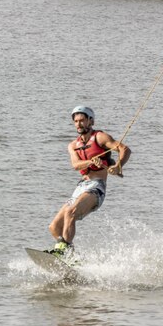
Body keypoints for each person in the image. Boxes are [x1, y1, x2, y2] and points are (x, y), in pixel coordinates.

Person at [47, 106, 131, 258]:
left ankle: (63, 251)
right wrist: (90, 161)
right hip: (81, 187)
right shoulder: (73, 145)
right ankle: (72, 257)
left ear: (90, 121)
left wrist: (118, 165)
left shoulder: (100, 137)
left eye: (82, 121)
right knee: (54, 227)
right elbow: (75, 165)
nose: (78, 124)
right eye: (76, 121)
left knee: (71, 212)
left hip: (96, 187)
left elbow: (125, 149)